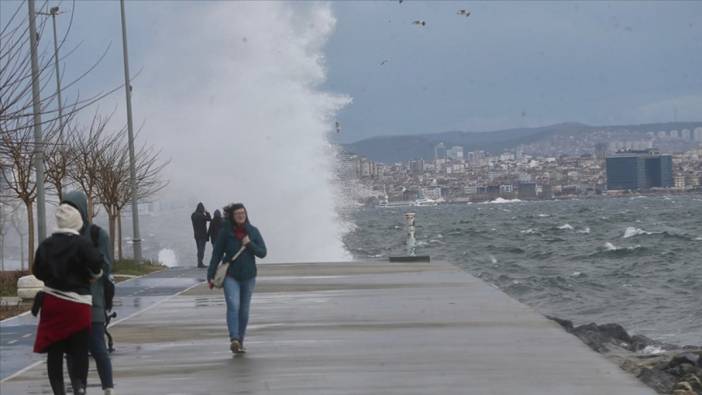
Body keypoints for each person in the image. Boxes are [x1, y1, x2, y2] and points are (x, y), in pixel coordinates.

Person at [33, 203, 104, 395]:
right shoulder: (82, 243)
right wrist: (93, 274)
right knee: (79, 349)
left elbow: (37, 270)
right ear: (77, 223)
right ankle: (79, 385)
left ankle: (58, 390)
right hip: (78, 304)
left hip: (53, 302)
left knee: (54, 351)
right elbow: (98, 262)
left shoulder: (46, 244)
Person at [62, 191, 115, 395]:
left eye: (72, 208)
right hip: (69, 303)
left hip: (93, 302)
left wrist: (89, 270)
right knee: (72, 353)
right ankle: (78, 388)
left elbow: (107, 266)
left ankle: (108, 388)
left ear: (82, 210)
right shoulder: (62, 237)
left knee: (98, 348)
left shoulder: (97, 234)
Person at [207, 203, 266, 354]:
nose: (241, 215)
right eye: (238, 213)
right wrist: (211, 275)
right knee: (233, 305)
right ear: (232, 217)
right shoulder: (225, 233)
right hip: (230, 275)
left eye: (243, 213)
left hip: (248, 276)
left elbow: (262, 252)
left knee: (244, 310)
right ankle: (233, 338)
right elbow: (216, 255)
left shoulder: (253, 231)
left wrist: (249, 244)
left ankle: (240, 340)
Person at [191, 202, 211, 268]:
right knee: (201, 249)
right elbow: (209, 219)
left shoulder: (193, 215)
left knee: (199, 249)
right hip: (202, 235)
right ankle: (200, 263)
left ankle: (199, 262)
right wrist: (207, 212)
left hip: (196, 235)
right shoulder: (202, 216)